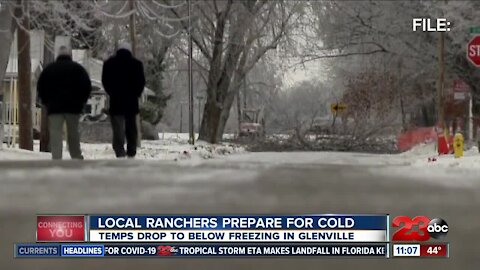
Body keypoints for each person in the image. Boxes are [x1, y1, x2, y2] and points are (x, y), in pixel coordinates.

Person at [37, 46, 92, 160]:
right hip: (73, 107)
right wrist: (82, 102)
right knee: (73, 132)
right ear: (69, 56)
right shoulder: (78, 69)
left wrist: (46, 102)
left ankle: (56, 156)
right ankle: (76, 155)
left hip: (54, 108)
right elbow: (86, 87)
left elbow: (41, 87)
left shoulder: (49, 69)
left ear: (58, 55)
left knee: (55, 133)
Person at [102, 42, 145, 158]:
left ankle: (119, 150)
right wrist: (136, 94)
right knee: (131, 127)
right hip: (131, 102)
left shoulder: (109, 64)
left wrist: (112, 93)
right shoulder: (137, 64)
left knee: (118, 128)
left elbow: (105, 81)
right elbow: (141, 83)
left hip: (116, 101)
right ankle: (131, 150)